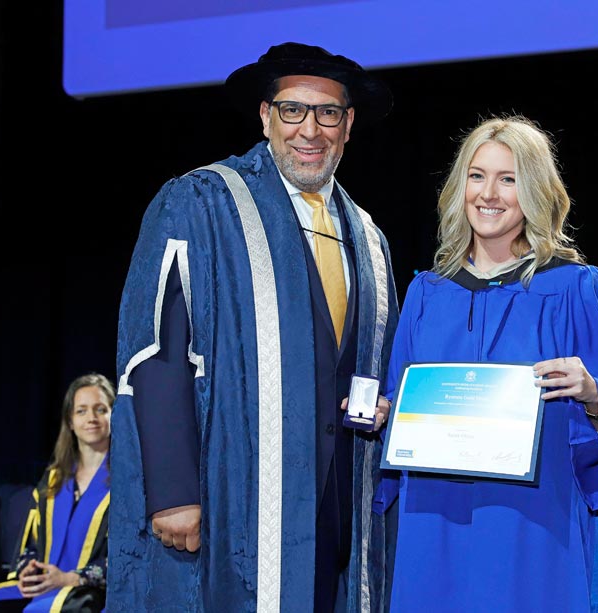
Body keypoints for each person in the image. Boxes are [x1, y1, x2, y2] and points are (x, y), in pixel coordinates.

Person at [107, 42, 400, 613]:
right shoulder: (203, 201)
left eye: (328, 113)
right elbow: (157, 351)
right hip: (234, 494)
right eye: (292, 110)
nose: (309, 129)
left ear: (348, 126)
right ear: (265, 116)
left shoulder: (367, 234)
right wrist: (172, 492)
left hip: (337, 501)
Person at [375, 115, 598, 612]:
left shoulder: (573, 287)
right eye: (477, 176)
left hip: (532, 519)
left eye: (509, 179)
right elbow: (400, 398)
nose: (490, 193)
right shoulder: (427, 292)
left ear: (535, 192)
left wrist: (592, 391)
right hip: (434, 515)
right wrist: (382, 413)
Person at [0, 373, 114, 613]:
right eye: (82, 411)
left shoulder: (125, 483)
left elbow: (129, 555)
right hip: (47, 584)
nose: (92, 418)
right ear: (70, 421)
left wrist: (70, 578)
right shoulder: (54, 478)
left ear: (114, 416)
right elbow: (32, 545)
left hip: (92, 591)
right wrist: (28, 569)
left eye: (101, 409)